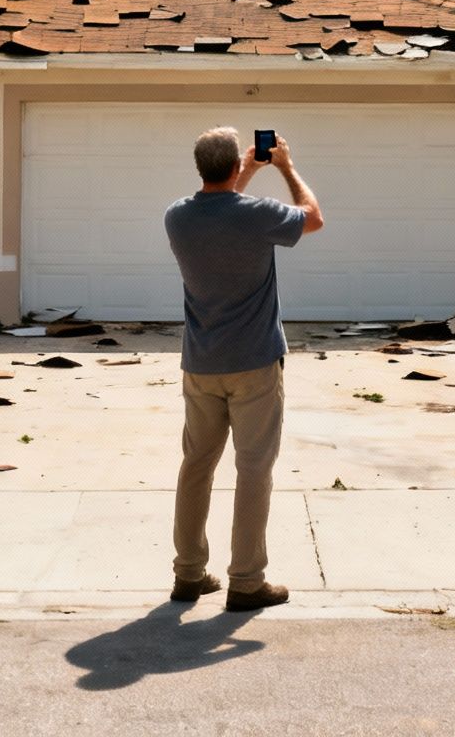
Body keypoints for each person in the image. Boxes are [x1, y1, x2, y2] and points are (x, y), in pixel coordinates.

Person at [162, 126, 323, 612]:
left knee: (196, 466)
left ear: (200, 168)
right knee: (253, 469)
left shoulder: (177, 217)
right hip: (253, 362)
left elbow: (221, 208)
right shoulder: (258, 216)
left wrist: (246, 170)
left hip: (201, 363)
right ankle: (246, 581)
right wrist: (286, 167)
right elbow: (313, 218)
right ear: (233, 167)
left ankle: (188, 575)